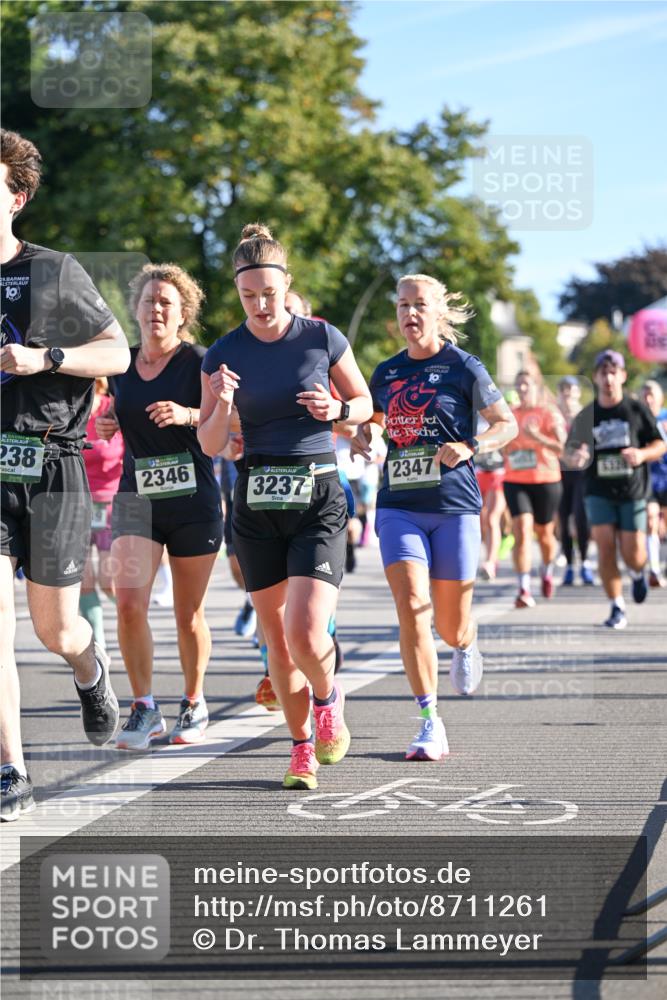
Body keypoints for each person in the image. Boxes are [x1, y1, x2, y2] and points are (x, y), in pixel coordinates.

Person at [199, 223, 372, 790]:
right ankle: (300, 748)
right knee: (275, 640)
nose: (260, 305)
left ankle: (328, 697)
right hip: (255, 499)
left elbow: (364, 404)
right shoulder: (223, 354)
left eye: (269, 294)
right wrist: (223, 403)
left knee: (304, 631)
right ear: (238, 292)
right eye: (248, 296)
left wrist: (336, 408)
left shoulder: (322, 338)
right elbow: (209, 442)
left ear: (286, 284)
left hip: (318, 494)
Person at [0, 129, 130, 821]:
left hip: (50, 462)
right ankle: (11, 770)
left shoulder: (54, 271)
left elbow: (116, 353)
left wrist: (45, 358)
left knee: (56, 631)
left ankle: (89, 669)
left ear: (15, 198)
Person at [353, 273, 517, 761]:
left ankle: (466, 642)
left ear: (439, 311)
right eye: (403, 305)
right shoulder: (385, 372)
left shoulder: (464, 367)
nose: (410, 314)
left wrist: (471, 445)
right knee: (411, 608)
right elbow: (374, 421)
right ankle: (429, 720)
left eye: (419, 304)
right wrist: (364, 434)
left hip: (454, 507)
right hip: (399, 505)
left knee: (449, 625)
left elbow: (505, 425)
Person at [96, 263, 223, 748]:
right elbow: (118, 410)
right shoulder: (122, 365)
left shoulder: (200, 362)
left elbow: (223, 424)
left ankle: (193, 700)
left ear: (183, 313)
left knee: (188, 613)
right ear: (136, 309)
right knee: (128, 603)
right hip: (136, 497)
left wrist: (186, 413)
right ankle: (144, 707)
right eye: (148, 301)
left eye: (166, 303)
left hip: (192, 499)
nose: (156, 309)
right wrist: (111, 423)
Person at [565, 351, 666, 629]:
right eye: (603, 373)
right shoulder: (587, 415)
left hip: (632, 491)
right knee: (606, 549)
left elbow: (660, 444)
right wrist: (578, 457)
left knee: (633, 553)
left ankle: (637, 573)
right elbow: (571, 454)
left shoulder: (635, 409)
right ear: (596, 378)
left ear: (622, 376)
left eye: (614, 372)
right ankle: (617, 606)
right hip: (598, 491)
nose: (608, 378)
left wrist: (642, 455)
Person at [502, 369, 566, 608]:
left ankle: (547, 570)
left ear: (536, 387)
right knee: (521, 530)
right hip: (515, 480)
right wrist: (504, 448)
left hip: (546, 480)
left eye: (527, 385)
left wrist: (538, 437)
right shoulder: (510, 415)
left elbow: (562, 448)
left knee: (546, 535)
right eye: (519, 385)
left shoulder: (548, 413)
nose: (522, 389)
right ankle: (524, 588)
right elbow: (500, 445)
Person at [79, 377, 124, 651]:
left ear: (97, 383)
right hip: (76, 503)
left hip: (112, 503)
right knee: (83, 580)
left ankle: (133, 616)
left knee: (109, 581)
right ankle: (99, 646)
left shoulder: (113, 410)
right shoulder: (70, 412)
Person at [556, 376, 593, 586]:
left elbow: (593, 439)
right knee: (563, 516)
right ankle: (570, 565)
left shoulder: (586, 414)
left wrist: (586, 452)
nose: (567, 392)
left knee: (580, 517)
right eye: (563, 389)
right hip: (559, 472)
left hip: (580, 472)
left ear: (578, 392)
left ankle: (585, 562)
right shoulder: (554, 415)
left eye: (571, 388)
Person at [640, 379, 667, 587]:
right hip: (648, 481)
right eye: (645, 395)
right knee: (651, 521)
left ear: (660, 399)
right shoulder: (637, 419)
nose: (648, 400)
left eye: (652, 396)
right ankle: (654, 570)